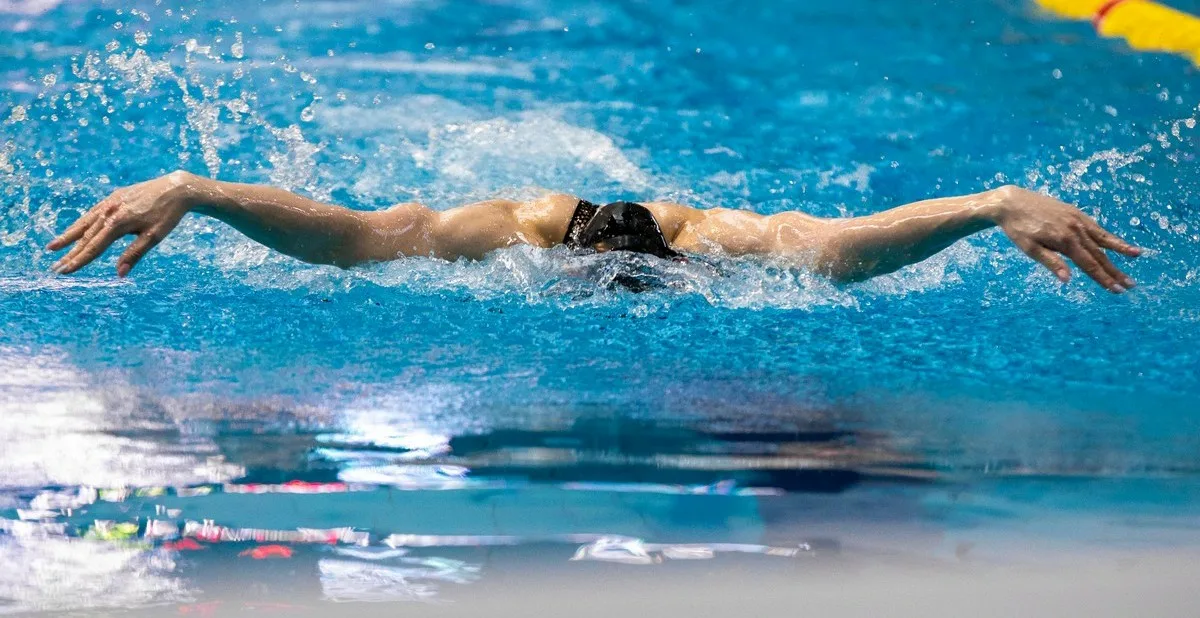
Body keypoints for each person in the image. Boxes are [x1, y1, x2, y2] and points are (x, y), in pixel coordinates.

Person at [47, 170, 1142, 292]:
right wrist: (195, 188)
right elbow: (350, 240)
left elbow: (853, 244)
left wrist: (996, 206)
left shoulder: (724, 241)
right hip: (545, 220)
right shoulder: (506, 231)